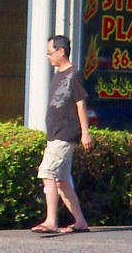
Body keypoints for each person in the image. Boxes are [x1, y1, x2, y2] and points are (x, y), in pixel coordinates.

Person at [31, 34, 92, 235]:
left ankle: (51, 221)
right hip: (55, 133)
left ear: (61, 51)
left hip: (65, 133)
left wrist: (85, 133)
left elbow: (81, 104)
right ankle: (80, 221)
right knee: (62, 180)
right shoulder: (58, 74)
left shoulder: (73, 75)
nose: (49, 57)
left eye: (50, 53)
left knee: (47, 172)